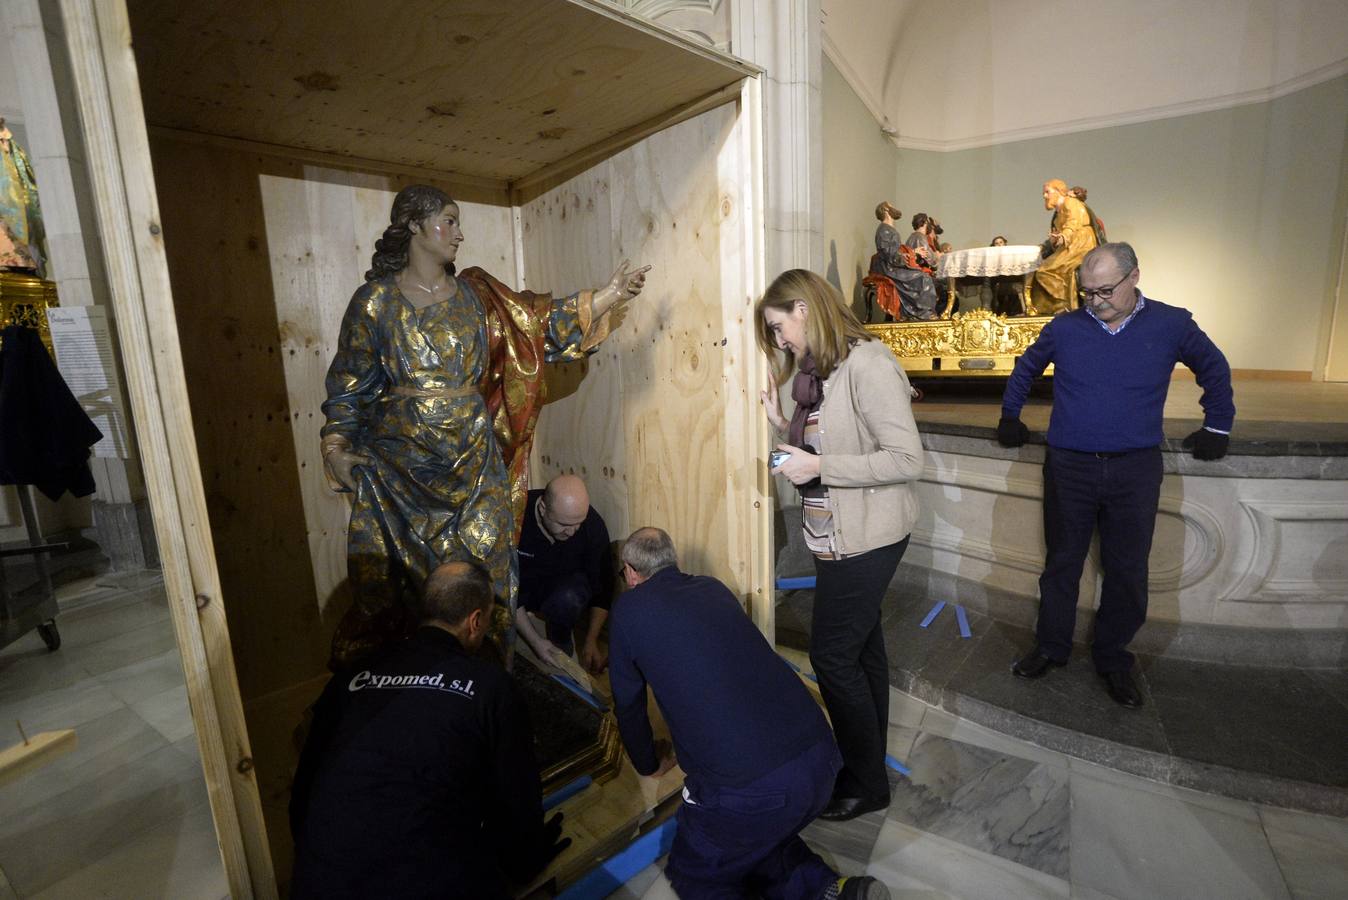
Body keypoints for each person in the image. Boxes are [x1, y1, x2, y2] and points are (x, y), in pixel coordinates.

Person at [320, 184, 648, 666]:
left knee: (489, 569)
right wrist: (335, 446)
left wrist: (605, 297)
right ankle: (413, 687)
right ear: (414, 225)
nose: (458, 233)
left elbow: (533, 327)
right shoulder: (375, 302)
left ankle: (488, 676)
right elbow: (350, 385)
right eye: (448, 221)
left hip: (476, 462)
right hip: (404, 472)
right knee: (410, 587)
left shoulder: (478, 297)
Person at [997, 242, 1234, 708]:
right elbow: (1025, 368)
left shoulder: (1171, 323)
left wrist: (1217, 424)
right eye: (1087, 293)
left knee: (1127, 569)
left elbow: (1214, 368)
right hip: (1070, 465)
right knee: (1062, 562)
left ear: (1134, 277)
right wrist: (1010, 415)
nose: (1095, 301)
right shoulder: (1066, 327)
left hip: (1134, 469)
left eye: (1105, 290)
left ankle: (1112, 657)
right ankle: (1051, 646)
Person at [608, 527, 889, 900]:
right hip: (822, 760)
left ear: (629, 572)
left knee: (697, 871)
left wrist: (647, 763)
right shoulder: (712, 588)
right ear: (673, 561)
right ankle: (831, 891)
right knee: (757, 839)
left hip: (752, 787)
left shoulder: (628, 611)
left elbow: (627, 703)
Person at [289, 561, 570, 899]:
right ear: (476, 621)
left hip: (321, 879)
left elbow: (302, 797)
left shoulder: (352, 676)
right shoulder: (490, 687)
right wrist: (527, 857)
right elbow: (515, 794)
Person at [757, 270, 924, 821]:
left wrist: (818, 464)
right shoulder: (820, 371)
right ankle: (868, 766)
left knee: (831, 658)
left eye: (780, 328)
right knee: (860, 649)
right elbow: (831, 438)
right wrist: (784, 424)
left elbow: (906, 460)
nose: (781, 342)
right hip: (838, 534)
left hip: (870, 537)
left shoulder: (868, 363)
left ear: (803, 309)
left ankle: (865, 782)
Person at [516, 473, 614, 673]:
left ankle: (561, 644)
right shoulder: (515, 517)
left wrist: (591, 641)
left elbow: (603, 589)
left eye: (579, 523)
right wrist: (535, 642)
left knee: (567, 599)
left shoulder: (592, 526)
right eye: (564, 525)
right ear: (543, 509)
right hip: (520, 588)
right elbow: (502, 585)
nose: (572, 532)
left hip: (564, 591)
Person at [1031, 179, 1098, 315]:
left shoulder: (1070, 202)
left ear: (1059, 192)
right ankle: (1053, 306)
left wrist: (1064, 236)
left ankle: (1062, 304)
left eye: (1047, 192)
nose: (1045, 196)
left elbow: (1074, 222)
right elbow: (1059, 232)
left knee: (1046, 270)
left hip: (1081, 243)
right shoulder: (1058, 212)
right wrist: (1052, 241)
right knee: (1040, 269)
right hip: (1071, 244)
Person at [867, 201, 940, 321]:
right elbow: (889, 254)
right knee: (923, 278)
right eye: (891, 206)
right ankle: (921, 313)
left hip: (893, 264)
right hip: (889, 268)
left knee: (922, 275)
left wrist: (911, 253)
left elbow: (896, 250)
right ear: (886, 210)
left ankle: (920, 312)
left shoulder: (888, 229)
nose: (894, 208)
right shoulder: (884, 230)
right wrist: (911, 253)